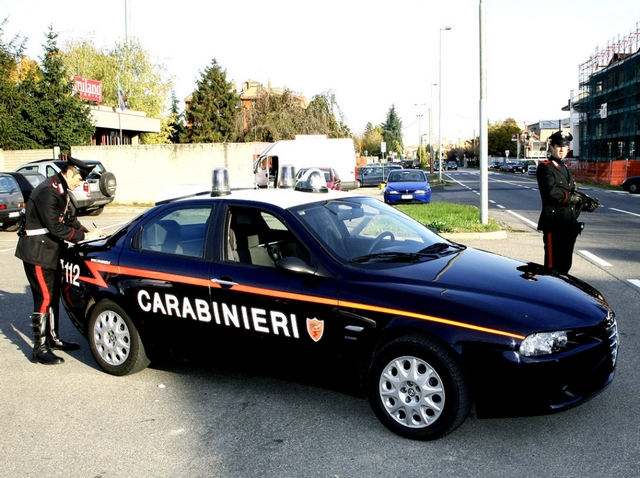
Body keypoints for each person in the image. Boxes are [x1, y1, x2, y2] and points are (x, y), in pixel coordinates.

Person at [15, 157, 106, 365]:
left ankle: (53, 338)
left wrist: (89, 232)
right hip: (37, 252)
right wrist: (84, 238)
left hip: (50, 251)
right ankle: (40, 348)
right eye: (79, 179)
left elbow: (69, 219)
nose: (80, 184)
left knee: (54, 295)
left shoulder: (61, 189)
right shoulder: (49, 191)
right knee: (44, 298)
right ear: (69, 173)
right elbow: (56, 227)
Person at [535, 130, 595, 274]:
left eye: (565, 146)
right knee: (551, 268)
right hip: (554, 223)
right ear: (552, 147)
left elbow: (573, 191)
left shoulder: (565, 168)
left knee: (565, 267)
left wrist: (584, 202)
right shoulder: (546, 167)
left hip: (568, 224)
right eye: (558, 146)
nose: (562, 149)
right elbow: (551, 192)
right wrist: (572, 198)